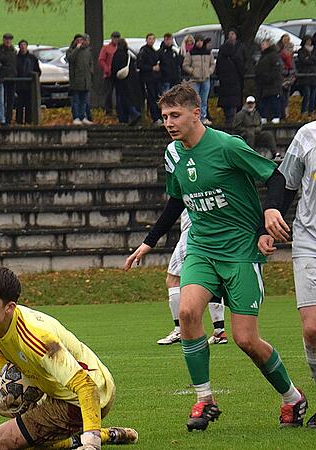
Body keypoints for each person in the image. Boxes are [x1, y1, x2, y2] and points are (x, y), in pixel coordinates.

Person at [125, 83, 308, 431]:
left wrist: (268, 221)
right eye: (164, 116)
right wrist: (150, 241)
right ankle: (204, 400)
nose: (168, 122)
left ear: (197, 113)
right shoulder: (173, 154)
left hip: (240, 251)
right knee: (188, 311)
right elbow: (176, 200)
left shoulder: (227, 146)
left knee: (245, 339)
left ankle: (292, 397)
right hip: (202, 248)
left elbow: (277, 176)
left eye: (175, 115)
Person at [0, 266, 139, 450]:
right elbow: (1, 350)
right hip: (58, 389)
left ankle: (93, 435)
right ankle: (104, 435)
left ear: (10, 308)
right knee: (28, 440)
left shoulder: (38, 339)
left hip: (87, 397)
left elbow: (87, 387)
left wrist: (92, 443)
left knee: (0, 441)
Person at [261, 120, 316, 428]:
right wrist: (267, 222)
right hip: (309, 240)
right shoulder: (307, 135)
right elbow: (285, 183)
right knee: (312, 330)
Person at [156, 209, 228, 346]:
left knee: (173, 280)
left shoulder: (189, 188)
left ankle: (180, 330)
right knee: (212, 281)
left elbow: (171, 211)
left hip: (192, 235)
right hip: (213, 234)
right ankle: (219, 331)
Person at [182, 35, 215, 125]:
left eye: (201, 41)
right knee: (195, 100)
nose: (200, 43)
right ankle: (195, 117)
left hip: (205, 79)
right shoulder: (191, 53)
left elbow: (212, 64)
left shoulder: (208, 53)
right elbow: (185, 65)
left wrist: (209, 71)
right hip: (194, 80)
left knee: (204, 100)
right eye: (198, 41)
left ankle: (203, 117)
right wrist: (193, 72)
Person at [215, 30, 245, 125]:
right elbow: (242, 70)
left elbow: (218, 71)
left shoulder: (221, 59)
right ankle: (232, 125)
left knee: (227, 110)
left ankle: (228, 123)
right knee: (232, 109)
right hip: (234, 86)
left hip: (224, 87)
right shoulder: (236, 58)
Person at [110, 39, 141, 125]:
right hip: (130, 82)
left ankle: (127, 116)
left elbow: (114, 69)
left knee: (121, 99)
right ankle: (132, 113)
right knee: (128, 98)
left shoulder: (117, 55)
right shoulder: (128, 55)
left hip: (120, 81)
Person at [255, 38, 283, 124]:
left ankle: (276, 116)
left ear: (268, 45)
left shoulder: (273, 55)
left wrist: (268, 78)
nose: (261, 46)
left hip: (272, 84)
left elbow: (277, 69)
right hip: (264, 84)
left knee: (274, 100)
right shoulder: (264, 56)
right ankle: (263, 116)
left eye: (263, 44)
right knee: (264, 101)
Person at [68, 33, 93, 125]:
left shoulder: (87, 51)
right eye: (78, 40)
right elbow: (70, 59)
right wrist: (77, 49)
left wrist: (91, 73)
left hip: (86, 80)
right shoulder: (71, 51)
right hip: (76, 80)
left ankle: (82, 116)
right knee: (76, 100)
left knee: (84, 100)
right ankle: (76, 117)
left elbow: (90, 63)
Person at [137, 33, 162, 125]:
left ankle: (158, 116)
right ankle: (155, 117)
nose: (151, 40)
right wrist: (151, 68)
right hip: (147, 79)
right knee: (151, 98)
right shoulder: (143, 51)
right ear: (146, 40)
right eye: (150, 39)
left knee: (157, 98)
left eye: (153, 39)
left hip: (155, 79)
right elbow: (139, 65)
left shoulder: (154, 51)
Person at [15, 39, 41, 125]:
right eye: (21, 45)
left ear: (27, 46)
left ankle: (28, 121)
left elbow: (38, 71)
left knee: (29, 104)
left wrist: (33, 77)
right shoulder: (16, 58)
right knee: (19, 105)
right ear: (19, 47)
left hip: (29, 85)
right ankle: (18, 121)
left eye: (24, 45)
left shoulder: (32, 58)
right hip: (19, 85)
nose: (23, 47)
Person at [98, 31, 120, 115]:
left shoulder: (119, 48)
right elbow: (101, 60)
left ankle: (118, 109)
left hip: (118, 74)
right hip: (109, 74)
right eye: (114, 38)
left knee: (119, 92)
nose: (116, 40)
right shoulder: (106, 48)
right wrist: (106, 69)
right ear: (112, 38)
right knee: (109, 92)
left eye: (117, 38)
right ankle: (108, 109)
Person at [0, 33, 17, 126]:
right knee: (2, 100)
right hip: (3, 79)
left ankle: (8, 119)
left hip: (12, 79)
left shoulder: (13, 51)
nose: (8, 41)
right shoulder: (0, 50)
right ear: (3, 40)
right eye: (6, 39)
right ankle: (2, 119)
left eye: (9, 39)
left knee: (11, 101)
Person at [296, 35, 316, 118]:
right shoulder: (301, 51)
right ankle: (304, 111)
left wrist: (309, 58)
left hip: (313, 76)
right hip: (305, 76)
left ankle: (311, 111)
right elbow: (303, 61)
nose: (309, 42)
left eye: (310, 40)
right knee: (307, 95)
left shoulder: (314, 50)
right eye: (307, 40)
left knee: (313, 95)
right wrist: (311, 59)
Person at [278, 34, 295, 120]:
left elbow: (293, 65)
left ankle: (285, 115)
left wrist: (291, 73)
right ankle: (281, 114)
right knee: (281, 97)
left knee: (286, 97)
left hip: (289, 77)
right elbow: (280, 66)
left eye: (287, 39)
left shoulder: (290, 53)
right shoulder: (280, 52)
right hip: (282, 77)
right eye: (285, 39)